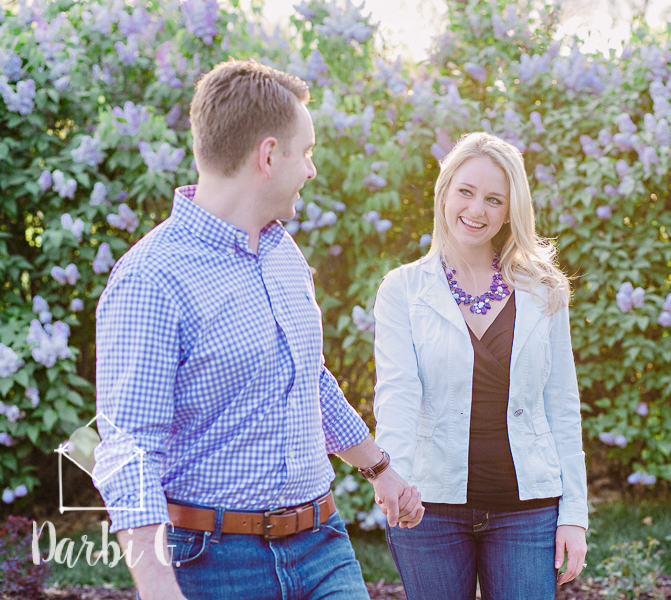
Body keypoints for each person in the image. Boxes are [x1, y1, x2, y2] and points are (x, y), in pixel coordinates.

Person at [91, 59, 423, 600]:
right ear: (269, 155)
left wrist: (380, 469)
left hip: (322, 545)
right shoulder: (152, 279)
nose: (312, 170)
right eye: (306, 152)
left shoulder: (283, 252)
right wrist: (157, 588)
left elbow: (309, 380)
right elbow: (127, 448)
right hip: (215, 565)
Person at [372, 132, 588, 600]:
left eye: (494, 199)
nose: (477, 210)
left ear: (511, 210)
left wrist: (574, 514)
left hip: (526, 509)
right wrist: (393, 479)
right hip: (428, 507)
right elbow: (398, 394)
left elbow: (562, 405)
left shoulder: (543, 289)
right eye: (466, 192)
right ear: (444, 192)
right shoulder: (402, 290)